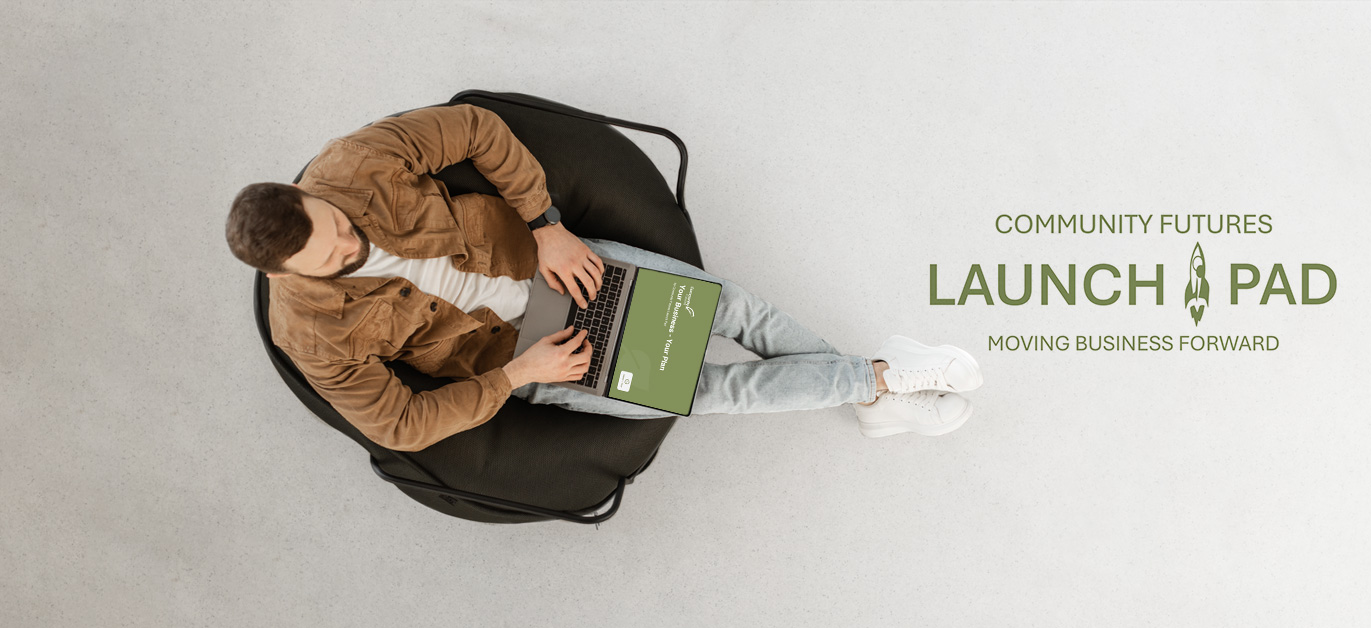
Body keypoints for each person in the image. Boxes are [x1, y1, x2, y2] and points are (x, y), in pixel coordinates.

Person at [226, 104, 980, 452]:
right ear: (287, 272)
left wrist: (545, 223)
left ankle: (873, 387)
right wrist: (518, 375)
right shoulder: (309, 333)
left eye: (336, 222)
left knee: (729, 311)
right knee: (713, 390)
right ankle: (878, 384)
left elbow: (479, 129)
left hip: (546, 258)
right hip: (523, 352)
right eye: (332, 256)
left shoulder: (351, 165)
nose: (349, 239)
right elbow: (398, 425)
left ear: (308, 194)